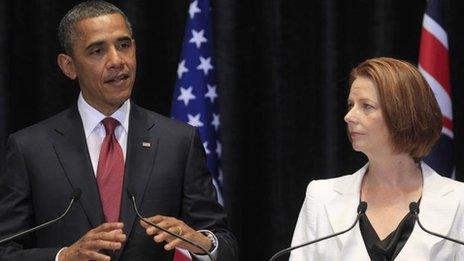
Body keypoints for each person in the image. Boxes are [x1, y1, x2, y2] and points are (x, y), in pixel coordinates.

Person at [0, 1, 237, 260]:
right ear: (69, 66)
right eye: (97, 51)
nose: (116, 60)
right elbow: (5, 248)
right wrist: (63, 256)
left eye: (124, 45)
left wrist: (201, 243)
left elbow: (224, 244)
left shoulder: (178, 141)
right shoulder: (30, 148)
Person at [289, 57, 464, 260]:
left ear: (404, 114)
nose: (349, 117)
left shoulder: (458, 201)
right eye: (351, 105)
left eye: (366, 106)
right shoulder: (321, 197)